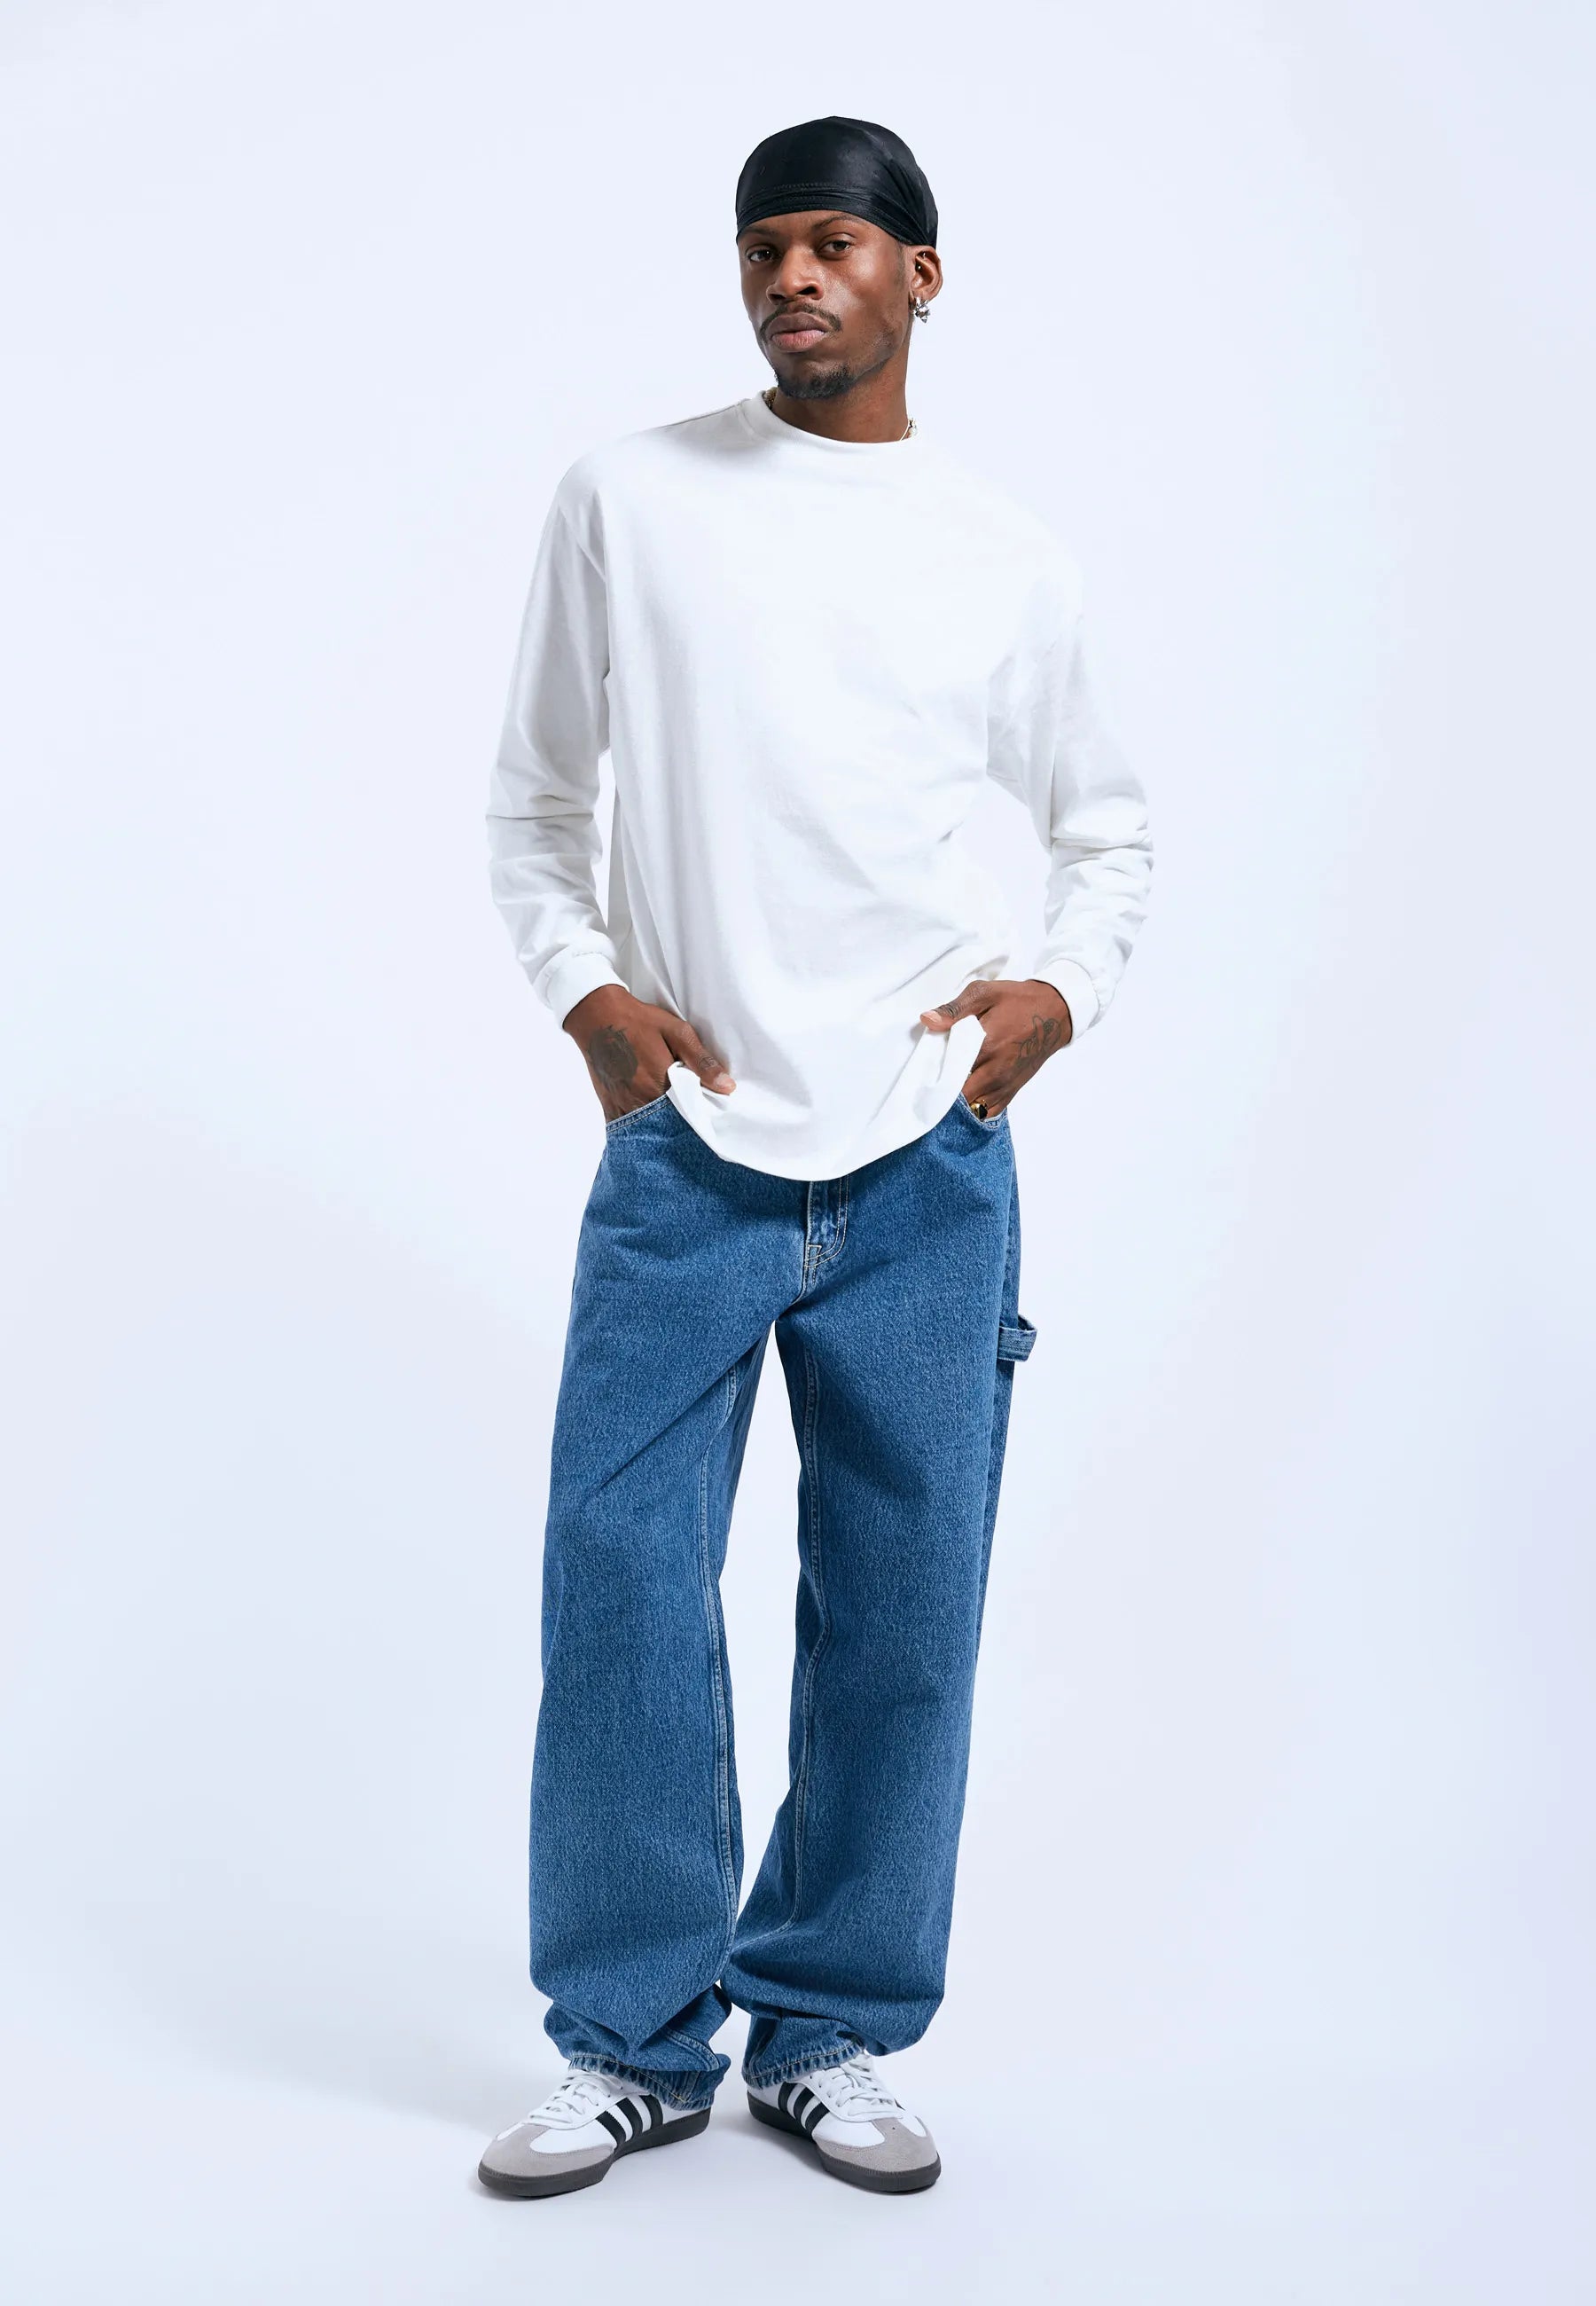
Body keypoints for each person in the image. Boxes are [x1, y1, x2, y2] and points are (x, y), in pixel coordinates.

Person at [477, 114, 1153, 2200]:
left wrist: (1057, 998)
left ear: (918, 277)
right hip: (686, 1152)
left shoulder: (1001, 554)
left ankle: (829, 2024)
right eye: (767, 245)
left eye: (837, 244)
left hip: (929, 1162)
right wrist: (590, 997)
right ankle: (631, 2042)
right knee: (619, 1586)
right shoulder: (631, 497)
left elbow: (1107, 832)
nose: (796, 277)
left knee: (904, 1613)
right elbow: (535, 802)